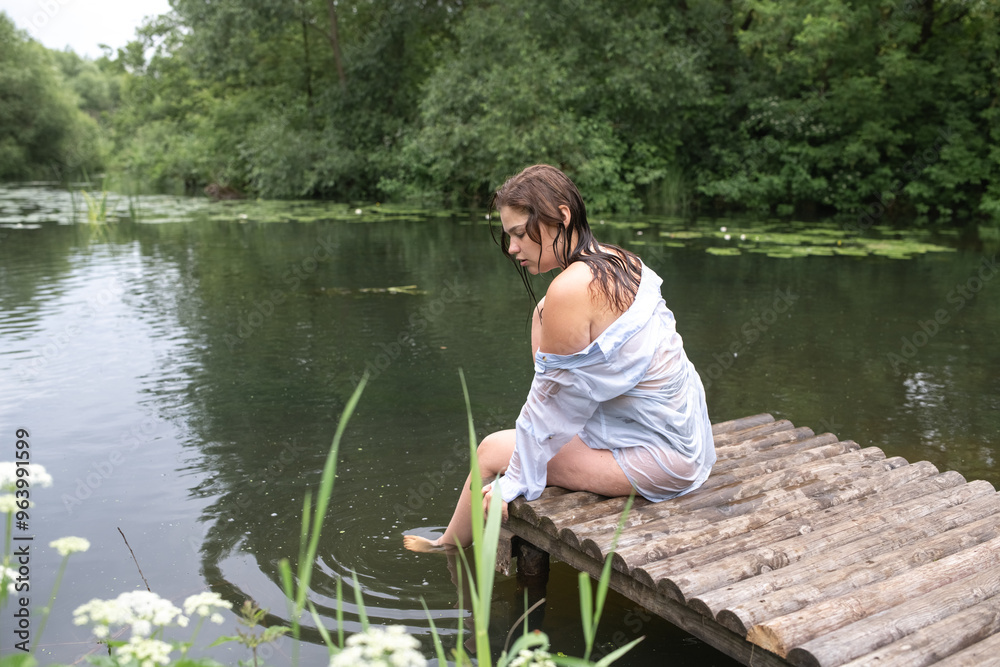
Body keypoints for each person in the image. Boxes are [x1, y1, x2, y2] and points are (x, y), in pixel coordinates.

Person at [403, 164, 715, 553]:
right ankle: (453, 543)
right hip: (688, 437)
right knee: (541, 314)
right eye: (509, 236)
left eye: (520, 234)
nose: (512, 247)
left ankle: (447, 549)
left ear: (562, 217)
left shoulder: (571, 288)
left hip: (661, 459)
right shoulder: (620, 259)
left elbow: (546, 406)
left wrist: (515, 478)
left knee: (491, 451)